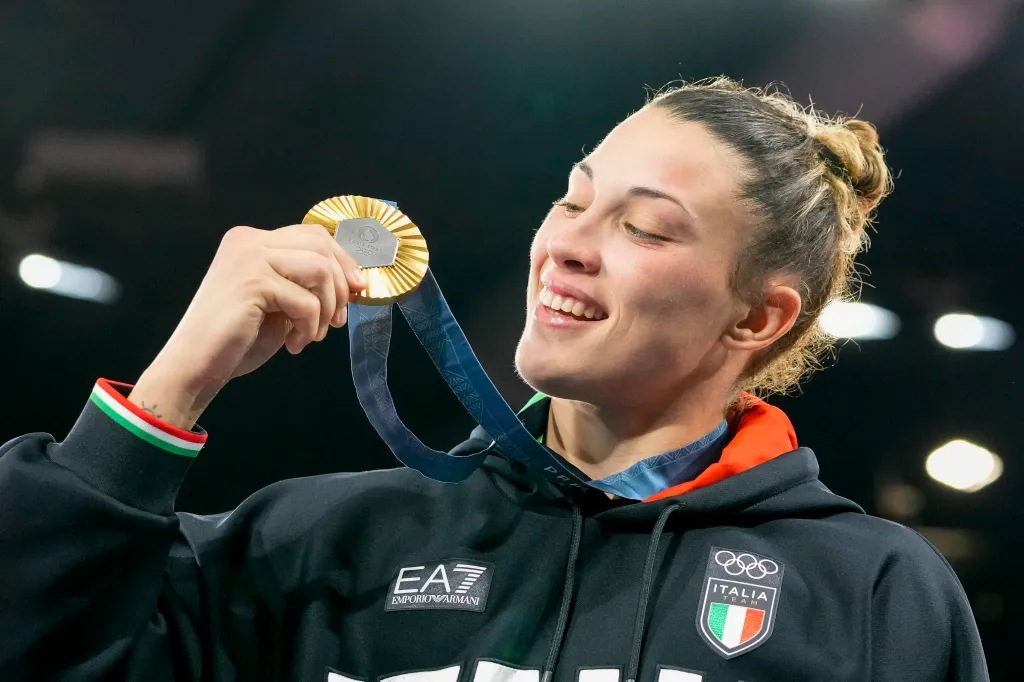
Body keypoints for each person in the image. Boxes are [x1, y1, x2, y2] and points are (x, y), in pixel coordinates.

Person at [0, 77, 988, 682]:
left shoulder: (872, 594)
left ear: (757, 317)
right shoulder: (320, 546)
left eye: (645, 228)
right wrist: (171, 386)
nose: (569, 246)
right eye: (572, 200)